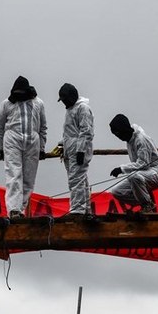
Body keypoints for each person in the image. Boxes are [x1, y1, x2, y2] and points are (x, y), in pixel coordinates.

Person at [0, 75, 47, 218]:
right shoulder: (7, 104)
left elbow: (43, 127)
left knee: (29, 178)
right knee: (14, 174)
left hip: (32, 141)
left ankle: (21, 208)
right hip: (12, 140)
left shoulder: (38, 103)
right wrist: (0, 147)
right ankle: (14, 210)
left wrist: (42, 147)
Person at [108, 113, 158, 213]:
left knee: (133, 176)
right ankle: (145, 202)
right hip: (143, 174)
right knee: (117, 191)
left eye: (118, 134)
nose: (118, 137)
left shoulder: (141, 139)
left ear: (123, 130)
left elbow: (143, 163)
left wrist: (121, 169)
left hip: (156, 172)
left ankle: (147, 205)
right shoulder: (129, 141)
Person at [57, 83, 95, 218]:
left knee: (76, 179)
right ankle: (85, 209)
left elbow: (86, 131)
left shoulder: (83, 108)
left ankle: (77, 210)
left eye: (65, 99)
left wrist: (80, 150)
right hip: (71, 150)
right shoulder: (71, 109)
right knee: (81, 179)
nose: (64, 103)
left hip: (79, 151)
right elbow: (70, 132)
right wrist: (62, 145)